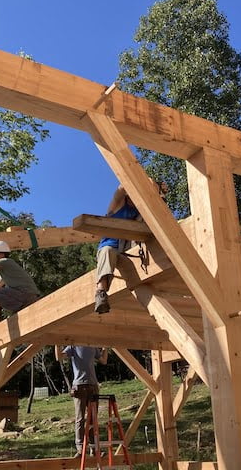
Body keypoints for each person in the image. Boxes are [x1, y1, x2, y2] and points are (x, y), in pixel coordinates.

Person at [94, 180, 167, 313]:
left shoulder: (140, 211)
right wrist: (148, 181)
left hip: (129, 250)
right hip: (111, 248)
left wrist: (159, 193)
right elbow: (121, 187)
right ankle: (101, 293)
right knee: (107, 251)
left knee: (150, 215)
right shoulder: (118, 203)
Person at [55, 345, 108, 457]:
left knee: (93, 419)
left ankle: (94, 449)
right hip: (79, 386)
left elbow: (103, 360)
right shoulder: (73, 346)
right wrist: (57, 344)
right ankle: (80, 449)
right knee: (80, 418)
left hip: (92, 386)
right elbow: (59, 357)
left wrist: (104, 347)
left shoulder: (92, 346)